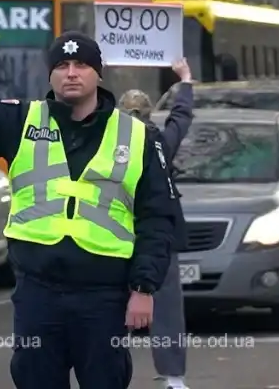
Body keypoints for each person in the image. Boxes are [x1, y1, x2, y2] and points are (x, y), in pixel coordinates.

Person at [0, 1, 178, 389]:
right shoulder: (21, 122)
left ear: (98, 75)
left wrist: (143, 289)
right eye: (61, 67)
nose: (70, 73)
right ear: (50, 75)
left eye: (81, 65)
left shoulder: (138, 137)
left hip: (104, 299)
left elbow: (157, 220)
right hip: (38, 294)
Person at [118, 59, 194, 389]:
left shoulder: (108, 145)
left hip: (115, 234)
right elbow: (181, 117)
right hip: (159, 237)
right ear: (150, 115)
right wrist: (185, 82)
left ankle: (108, 374)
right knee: (165, 311)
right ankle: (173, 377)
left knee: (109, 310)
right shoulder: (162, 142)